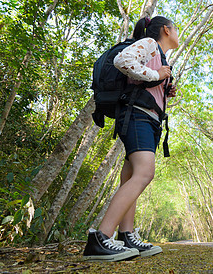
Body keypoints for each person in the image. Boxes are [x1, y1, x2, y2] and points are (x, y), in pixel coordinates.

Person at [83, 16, 179, 262]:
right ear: (166, 30)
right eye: (176, 29)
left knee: (130, 175)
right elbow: (122, 60)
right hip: (137, 116)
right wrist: (155, 73)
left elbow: (142, 79)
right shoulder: (149, 43)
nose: (178, 33)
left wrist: (163, 86)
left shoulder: (161, 55)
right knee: (145, 173)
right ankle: (101, 237)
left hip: (149, 118)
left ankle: (127, 235)